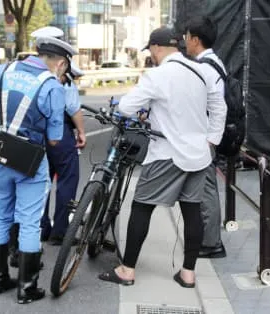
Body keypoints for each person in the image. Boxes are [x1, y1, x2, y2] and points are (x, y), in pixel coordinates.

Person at [98, 27, 226, 288]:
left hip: (167, 154)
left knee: (142, 207)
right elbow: (218, 107)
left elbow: (125, 108)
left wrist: (144, 112)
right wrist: (211, 140)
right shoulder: (202, 71)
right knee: (192, 211)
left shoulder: (157, 75)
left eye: (151, 51)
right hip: (199, 154)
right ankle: (188, 273)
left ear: (156, 48)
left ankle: (127, 270)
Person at [0, 29, 77, 304]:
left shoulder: (0, 71)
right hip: (29, 160)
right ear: (62, 63)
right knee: (30, 221)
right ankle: (27, 287)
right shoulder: (52, 86)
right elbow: (56, 139)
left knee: (0, 216)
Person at [184, 16, 227, 258]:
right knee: (204, 188)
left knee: (207, 189)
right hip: (207, 136)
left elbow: (217, 107)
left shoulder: (205, 67)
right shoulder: (213, 62)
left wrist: (211, 141)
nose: (185, 42)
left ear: (196, 40)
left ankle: (212, 244)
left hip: (206, 138)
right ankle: (207, 239)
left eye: (187, 37)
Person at [40, 61, 86, 245]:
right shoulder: (64, 82)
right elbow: (74, 109)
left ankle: (41, 227)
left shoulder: (37, 78)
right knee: (68, 178)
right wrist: (81, 132)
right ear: (64, 65)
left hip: (37, 134)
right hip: (60, 135)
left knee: (41, 181)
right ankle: (60, 231)